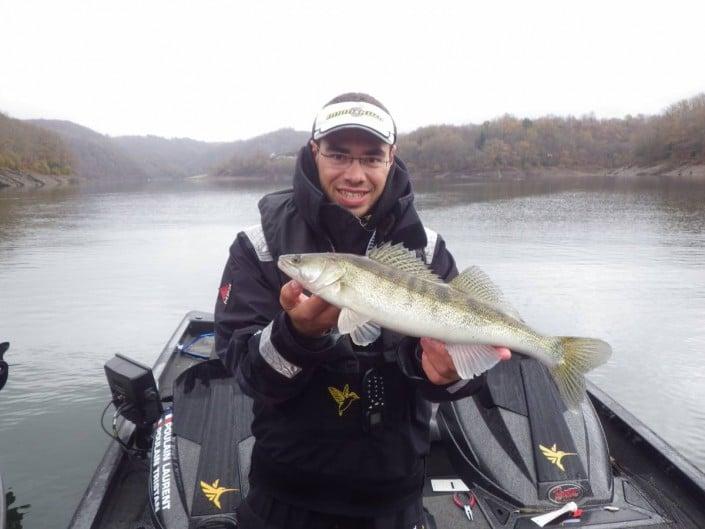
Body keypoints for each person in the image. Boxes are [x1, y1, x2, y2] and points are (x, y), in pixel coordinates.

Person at [214, 93, 511, 529]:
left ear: (392, 159)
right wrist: (295, 337)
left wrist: (448, 375)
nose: (355, 174)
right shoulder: (259, 247)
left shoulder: (426, 248)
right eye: (338, 154)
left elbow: (456, 374)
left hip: (393, 500)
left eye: (371, 158)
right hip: (285, 498)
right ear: (313, 152)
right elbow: (243, 371)